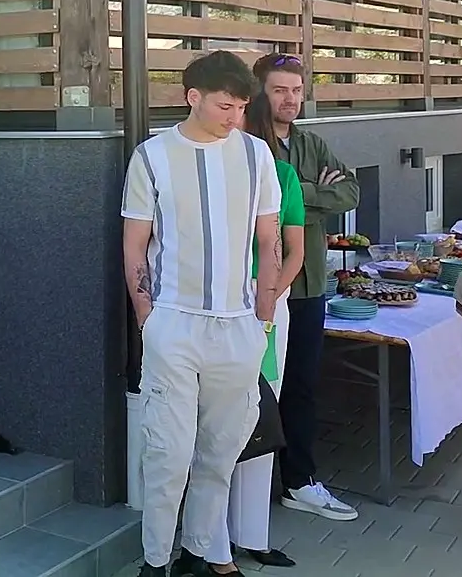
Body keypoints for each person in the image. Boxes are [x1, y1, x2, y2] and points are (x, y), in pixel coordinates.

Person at [124, 51, 281, 577]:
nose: (234, 116)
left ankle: (196, 555)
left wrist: (262, 317)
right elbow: (135, 243)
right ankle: (154, 561)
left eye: (241, 107)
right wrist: (147, 317)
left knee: (220, 452)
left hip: (238, 324)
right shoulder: (152, 156)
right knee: (167, 454)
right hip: (173, 322)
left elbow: (269, 239)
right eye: (224, 105)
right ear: (193, 97)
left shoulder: (257, 154)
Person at [250, 52, 360, 522]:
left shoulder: (311, 143)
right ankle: (246, 489)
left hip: (308, 282)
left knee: (301, 384)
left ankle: (298, 480)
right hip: (258, 286)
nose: (290, 99)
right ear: (259, 92)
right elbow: (258, 206)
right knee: (253, 386)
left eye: (296, 91)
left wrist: (299, 193)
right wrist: (309, 194)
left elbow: (351, 192)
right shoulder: (246, 143)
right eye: (280, 90)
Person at [226, 91, 307, 569]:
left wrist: (268, 298)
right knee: (217, 425)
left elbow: (295, 250)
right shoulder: (204, 176)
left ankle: (253, 535)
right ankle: (213, 541)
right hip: (214, 310)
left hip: (268, 307)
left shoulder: (281, 175)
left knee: (261, 416)